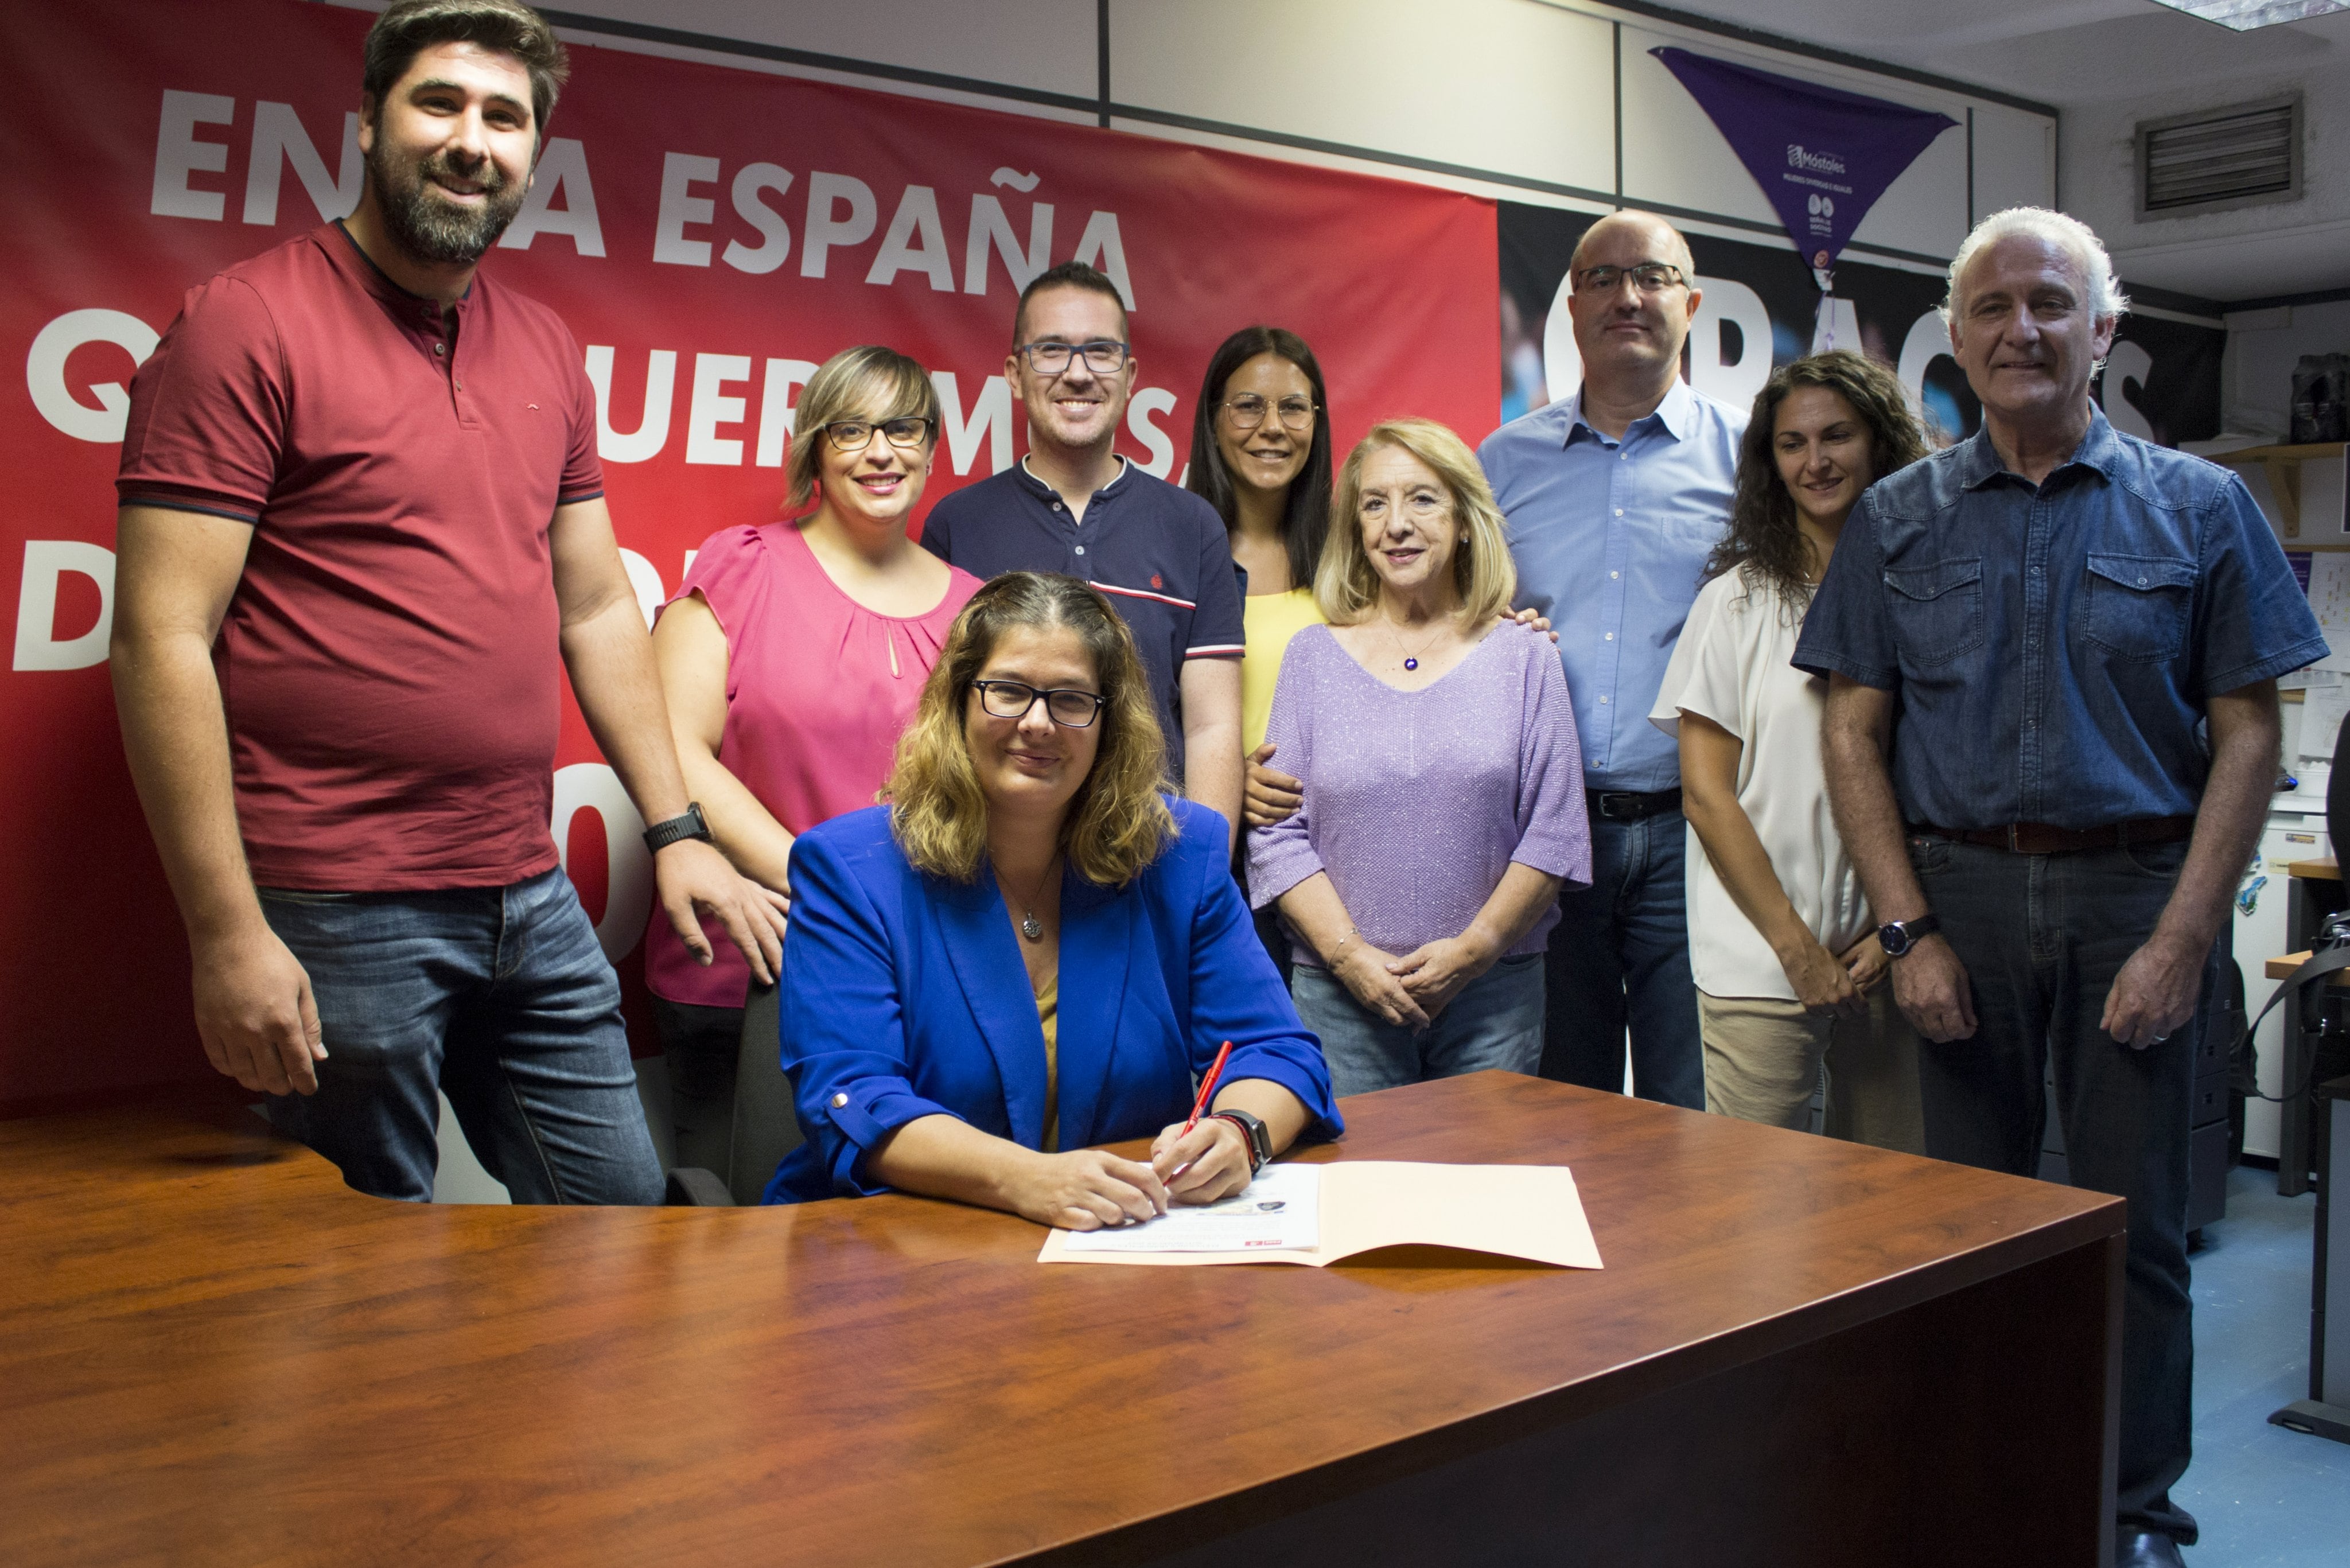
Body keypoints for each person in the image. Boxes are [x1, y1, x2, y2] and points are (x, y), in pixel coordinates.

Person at [107, 0, 780, 1204]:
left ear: (533, 154)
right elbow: (162, 637)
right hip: (331, 901)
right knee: (347, 1280)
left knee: (618, 1225)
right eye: (439, 103)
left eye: (506, 118)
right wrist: (226, 932)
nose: (474, 140)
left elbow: (593, 610)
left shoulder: (546, 348)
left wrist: (677, 830)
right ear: (366, 122)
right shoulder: (245, 324)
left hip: (524, 889)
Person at [1797, 208, 2325, 1568]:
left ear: (2105, 326)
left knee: (2135, 1234)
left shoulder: (2200, 506)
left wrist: (2182, 936)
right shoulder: (1898, 518)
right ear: (1957, 339)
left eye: (2048, 303)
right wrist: (1905, 928)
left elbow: (2248, 728)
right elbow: (1852, 726)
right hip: (1958, 904)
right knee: (1967, 1229)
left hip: (2135, 899)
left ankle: (2132, 1511)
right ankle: (1982, 1485)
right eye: (1988, 307)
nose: (2018, 330)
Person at [765, 573, 1340, 1220]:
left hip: (1118, 1244)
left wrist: (1240, 1132)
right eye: (1007, 692)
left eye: (1070, 700)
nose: (1038, 724)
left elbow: (1279, 1052)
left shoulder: (1181, 854)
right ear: (958, 701)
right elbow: (852, 1098)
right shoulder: (850, 868)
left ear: (1108, 721)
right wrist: (1026, 1181)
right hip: (898, 1247)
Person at [647, 345, 981, 1173]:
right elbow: (672, 749)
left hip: (916, 981)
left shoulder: (979, 609)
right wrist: (826, 891)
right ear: (814, 449)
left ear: (933, 447)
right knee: (727, 1239)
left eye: (902, 428)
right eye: (852, 430)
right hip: (753, 959)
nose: (881, 452)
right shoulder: (744, 566)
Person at [1478, 211, 1744, 1111]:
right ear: (1572, 303)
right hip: (1547, 835)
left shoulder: (1753, 458)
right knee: (1560, 1104)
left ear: (1692, 303)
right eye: (1604, 278)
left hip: (1697, 834)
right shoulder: (1499, 464)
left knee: (1695, 1106)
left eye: (1654, 277)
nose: (1628, 296)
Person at [1248, 420, 1589, 1097]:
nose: (1396, 524)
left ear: (1464, 518)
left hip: (1495, 991)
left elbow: (1555, 833)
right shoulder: (1312, 657)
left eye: (1422, 500)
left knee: (1479, 1193)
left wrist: (1473, 952)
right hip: (1339, 996)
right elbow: (1276, 836)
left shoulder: (1526, 655)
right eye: (1375, 504)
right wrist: (1350, 960)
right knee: (1357, 1196)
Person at [1648, 352, 1928, 1150]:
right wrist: (1797, 949)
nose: (1817, 461)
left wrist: (1897, 931)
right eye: (1793, 443)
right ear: (1770, 462)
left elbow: (1940, 778)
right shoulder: (1734, 603)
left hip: (1895, 947)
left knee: (1886, 1201)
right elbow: (1706, 795)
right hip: (1761, 955)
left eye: (1838, 436)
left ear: (1879, 444)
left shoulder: (1925, 590)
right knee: (1756, 1214)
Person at [920, 261, 1245, 844]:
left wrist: (1204, 879)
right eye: (1052, 351)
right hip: (989, 863)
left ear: (1129, 373)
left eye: (1100, 352)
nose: (1077, 374)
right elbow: (942, 721)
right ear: (1015, 374)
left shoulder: (1192, 525)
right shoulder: (956, 524)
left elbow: (1211, 728)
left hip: (1148, 864)